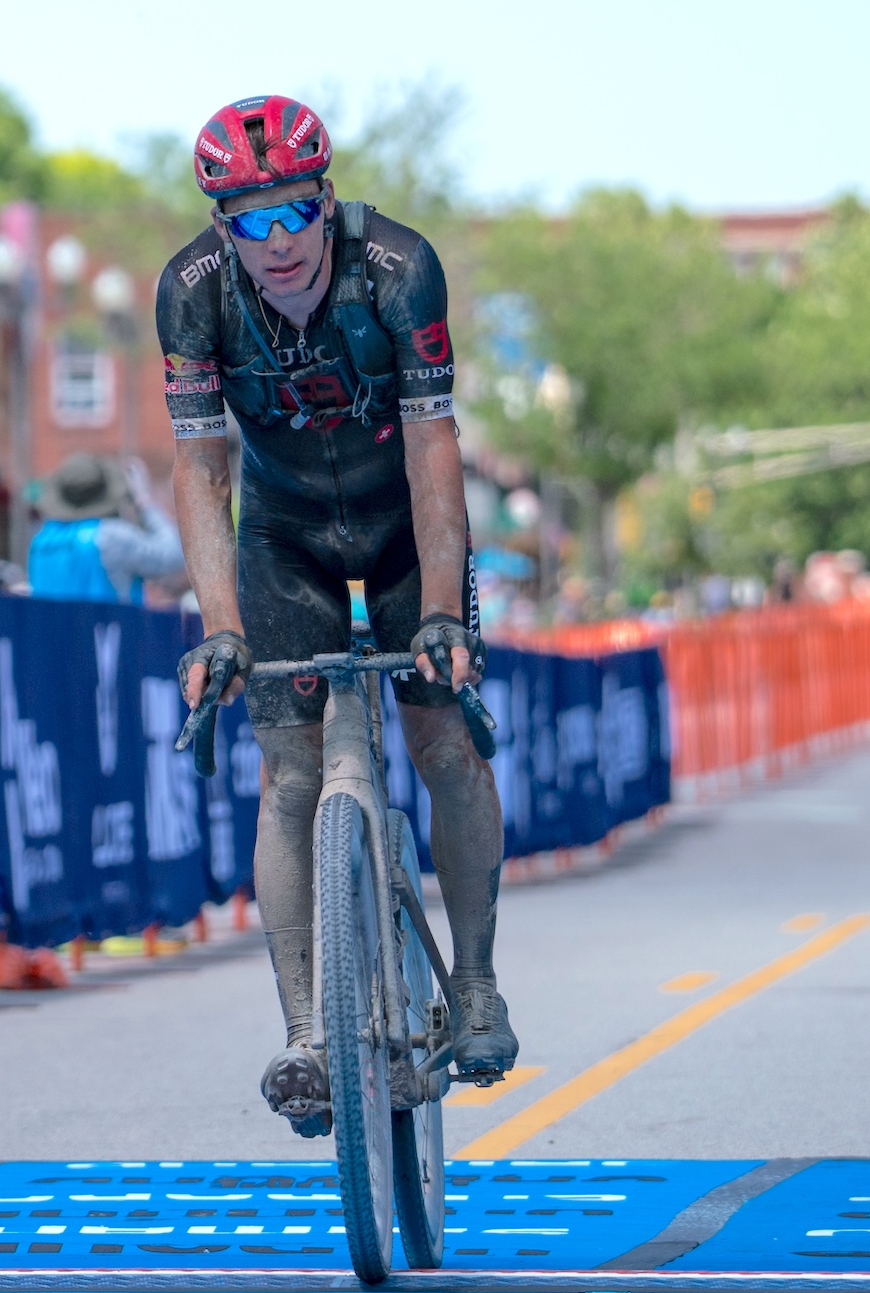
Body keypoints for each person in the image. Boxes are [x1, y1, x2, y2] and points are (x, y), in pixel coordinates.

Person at [161, 93, 515, 1138]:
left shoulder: (399, 268)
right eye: (246, 221)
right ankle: (310, 1034)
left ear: (324, 203)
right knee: (289, 772)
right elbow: (198, 464)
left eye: (289, 215)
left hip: (406, 524)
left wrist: (443, 612)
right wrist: (219, 622)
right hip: (286, 537)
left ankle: (480, 988)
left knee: (444, 738)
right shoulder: (190, 293)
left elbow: (432, 442)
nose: (273, 243)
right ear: (221, 228)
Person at [27, 454, 185, 604]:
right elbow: (173, 556)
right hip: (108, 630)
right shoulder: (112, 536)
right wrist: (144, 501)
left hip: (50, 632)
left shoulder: (42, 539)